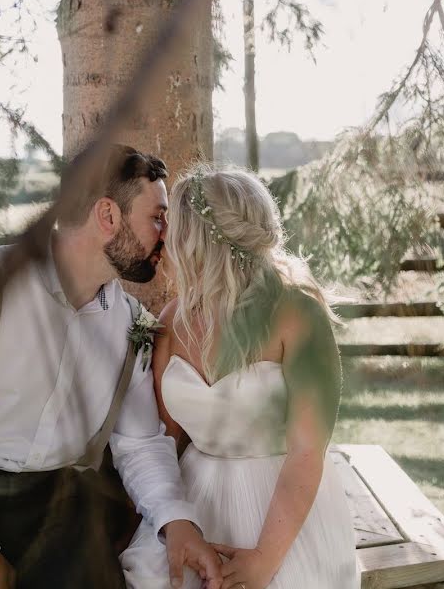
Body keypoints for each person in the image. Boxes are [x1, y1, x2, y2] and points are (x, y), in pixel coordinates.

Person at [0, 145, 223, 589]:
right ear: (107, 216)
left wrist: (176, 519)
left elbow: (140, 445)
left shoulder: (130, 324)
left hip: (63, 524)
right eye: (156, 218)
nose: (165, 237)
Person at [120, 164, 361, 589]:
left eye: (171, 228)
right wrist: (169, 523)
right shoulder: (171, 322)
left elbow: (308, 452)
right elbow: (168, 443)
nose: (163, 239)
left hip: (283, 510)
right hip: (198, 503)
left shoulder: (298, 315)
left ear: (196, 242)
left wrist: (264, 561)